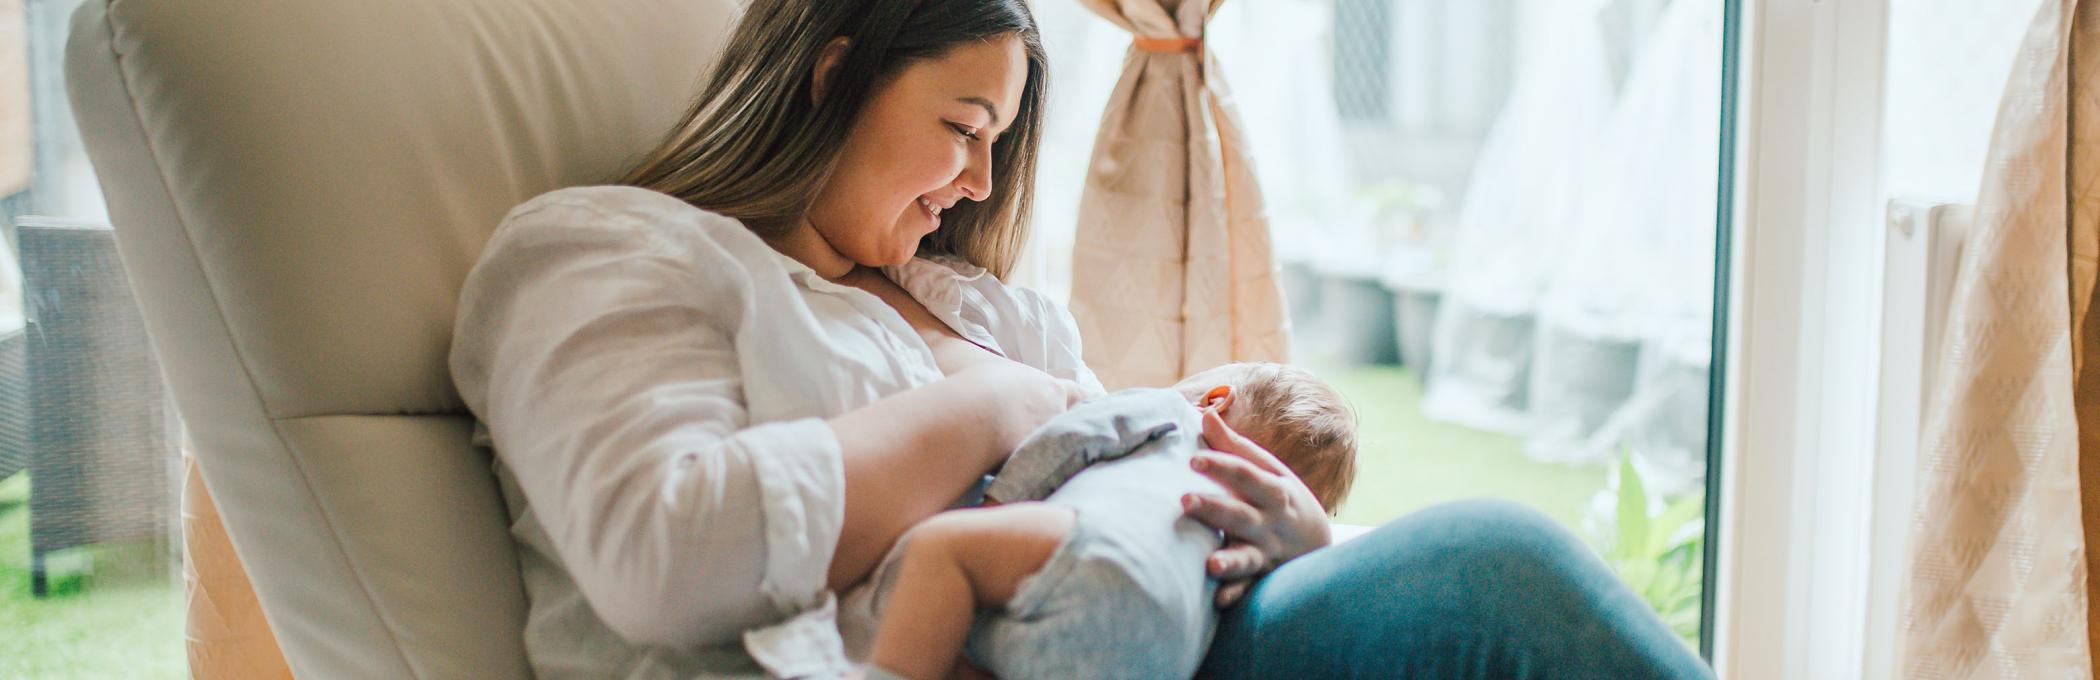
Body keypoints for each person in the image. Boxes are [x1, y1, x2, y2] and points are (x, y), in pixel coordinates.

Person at [447, 0, 1718, 678]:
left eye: (1000, 144)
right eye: (961, 124)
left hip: (1151, 645)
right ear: (832, 73)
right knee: (1494, 567)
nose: (978, 180)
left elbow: (1128, 510)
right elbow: (662, 555)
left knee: (1479, 580)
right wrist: (999, 411)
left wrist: (1285, 544)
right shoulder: (612, 249)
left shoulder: (986, 309)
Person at [863, 362, 1359, 680]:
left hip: (1107, 552)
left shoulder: (1175, 414)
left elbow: (1072, 436)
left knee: (942, 548)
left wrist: (1004, 505)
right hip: (1165, 652)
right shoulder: (1253, 541)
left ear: (1215, 398)